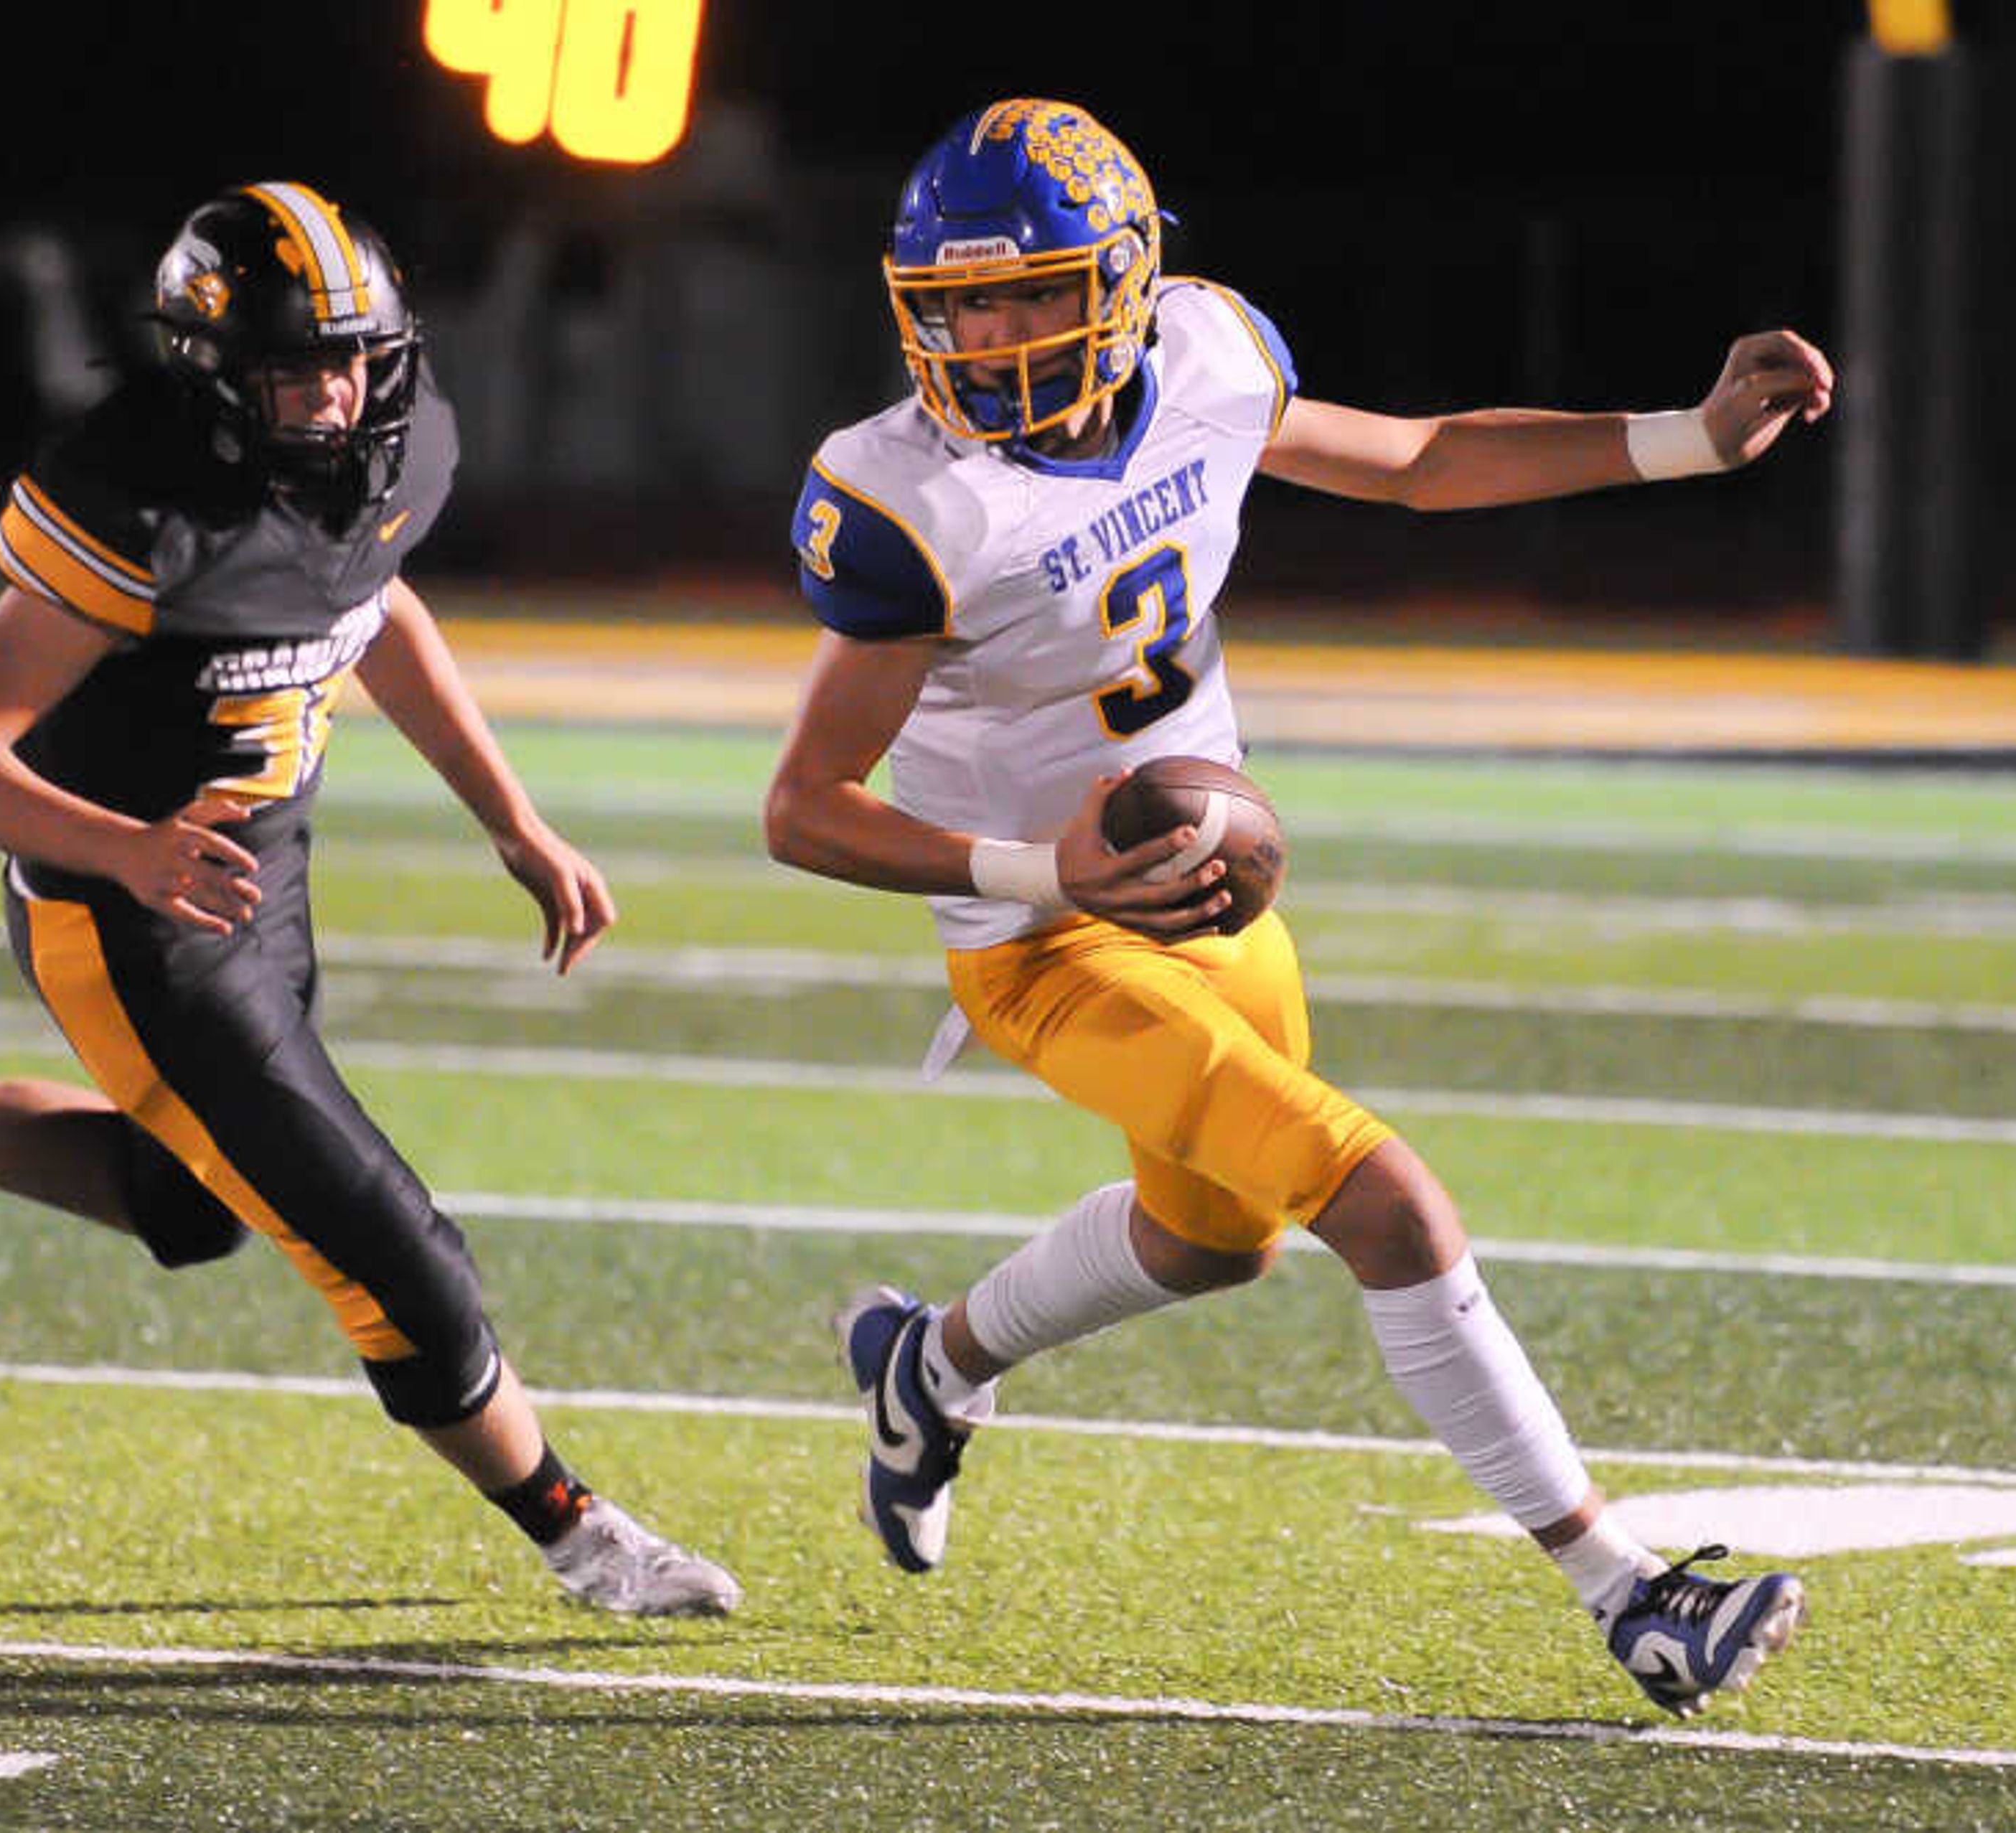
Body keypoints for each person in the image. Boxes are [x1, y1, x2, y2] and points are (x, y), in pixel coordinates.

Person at [762, 100, 1831, 1715]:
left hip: (1203, 890)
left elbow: (1411, 460)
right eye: (958, 302)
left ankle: (935, 1362)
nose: (985, 336)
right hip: (1044, 939)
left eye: (1028, 292)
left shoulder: (1205, 354)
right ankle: (1631, 1592)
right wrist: (1043, 872)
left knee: (1215, 1241)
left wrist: (1683, 435)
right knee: (1385, 1199)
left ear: (1121, 283)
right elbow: (805, 808)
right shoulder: (907, 501)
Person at [0, 179, 739, 1619]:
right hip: (128, 913)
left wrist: (511, 816)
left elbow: (375, 602)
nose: (336, 395)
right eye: (294, 368)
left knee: (187, 1201)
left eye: (355, 359)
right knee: (387, 1243)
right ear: (209, 372)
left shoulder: (388, 441)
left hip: (260, 868)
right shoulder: (139, 501)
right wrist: (131, 849)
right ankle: (581, 1534)